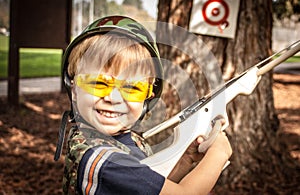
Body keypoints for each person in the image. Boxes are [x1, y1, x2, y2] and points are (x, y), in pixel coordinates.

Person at [54, 15, 232, 195]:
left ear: (147, 96)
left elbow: (148, 186)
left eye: (132, 88)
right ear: (74, 89)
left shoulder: (122, 140)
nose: (113, 98)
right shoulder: (104, 160)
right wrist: (219, 154)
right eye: (98, 84)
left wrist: (185, 161)